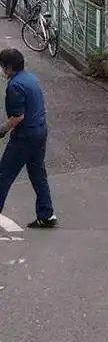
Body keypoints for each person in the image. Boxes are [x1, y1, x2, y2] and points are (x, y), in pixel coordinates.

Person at [0, 48, 56, 228]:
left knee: (3, 174)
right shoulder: (30, 78)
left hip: (25, 136)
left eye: (2, 66)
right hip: (40, 130)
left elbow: (17, 117)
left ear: (9, 67)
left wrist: (2, 130)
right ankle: (46, 215)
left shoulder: (14, 86)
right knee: (38, 173)